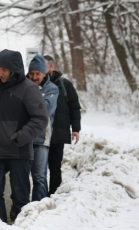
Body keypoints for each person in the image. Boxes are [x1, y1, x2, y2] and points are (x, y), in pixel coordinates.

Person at [0, 49, 48, 223]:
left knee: (20, 196)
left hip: (18, 150)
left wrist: (20, 137)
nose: (0, 73)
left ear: (14, 70)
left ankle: (19, 223)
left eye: (4, 70)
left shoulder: (29, 88)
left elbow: (40, 119)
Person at [43, 55, 82, 196]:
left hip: (58, 134)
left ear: (52, 68)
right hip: (41, 135)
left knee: (55, 168)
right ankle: (40, 197)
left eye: (44, 66)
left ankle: (53, 195)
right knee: (40, 170)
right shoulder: (35, 84)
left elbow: (74, 107)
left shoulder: (65, 85)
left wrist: (76, 129)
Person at [27, 55, 58, 201]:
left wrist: (28, 104)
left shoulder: (52, 89)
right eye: (31, 73)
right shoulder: (23, 86)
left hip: (41, 139)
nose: (34, 77)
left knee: (39, 177)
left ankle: (37, 207)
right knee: (21, 177)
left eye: (37, 74)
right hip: (24, 138)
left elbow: (45, 110)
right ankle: (21, 207)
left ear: (43, 73)